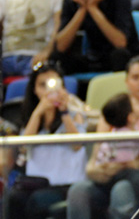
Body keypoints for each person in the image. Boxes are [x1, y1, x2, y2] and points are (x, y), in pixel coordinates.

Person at [64, 56, 139, 219]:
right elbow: (95, 158)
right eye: (136, 77)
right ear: (127, 81)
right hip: (109, 176)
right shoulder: (110, 113)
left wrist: (123, 165)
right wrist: (94, 170)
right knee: (78, 191)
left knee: (121, 190)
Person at [5, 61, 88, 219]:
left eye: (54, 84)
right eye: (42, 85)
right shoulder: (32, 118)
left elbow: (77, 145)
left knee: (37, 202)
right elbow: (23, 147)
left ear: (63, 87)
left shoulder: (75, 113)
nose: (49, 90)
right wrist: (38, 113)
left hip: (67, 184)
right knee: (13, 198)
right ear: (35, 90)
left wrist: (64, 113)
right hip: (37, 183)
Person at [52, 0, 138, 74]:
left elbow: (120, 43)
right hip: (95, 57)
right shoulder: (70, 1)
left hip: (127, 55)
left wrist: (93, 8)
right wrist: (82, 9)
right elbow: (61, 46)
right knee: (57, 58)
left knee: (119, 55)